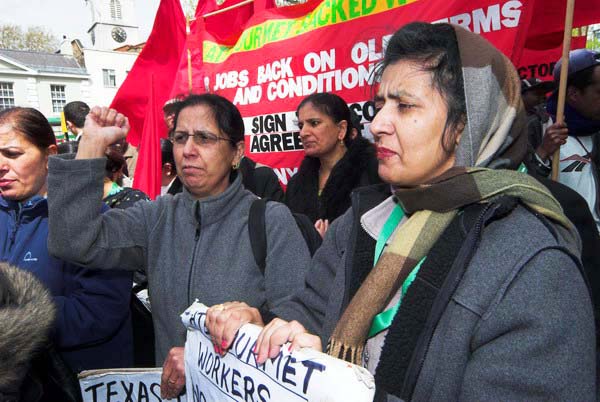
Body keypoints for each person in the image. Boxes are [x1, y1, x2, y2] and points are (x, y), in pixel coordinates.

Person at [206, 23, 596, 400]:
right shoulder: (360, 223)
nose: (378, 124)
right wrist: (263, 326)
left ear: (465, 124)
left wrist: (341, 389)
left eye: (405, 106)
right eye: (379, 106)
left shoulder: (533, 265)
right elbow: (310, 309)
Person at [46, 93, 312, 399]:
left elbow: (299, 318)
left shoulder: (270, 221)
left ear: (237, 152)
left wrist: (248, 324)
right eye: (180, 137)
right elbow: (73, 241)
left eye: (204, 138)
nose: (188, 150)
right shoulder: (157, 216)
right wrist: (91, 146)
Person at [0, 107, 133, 374]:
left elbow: (99, 311)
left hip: (67, 382)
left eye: (13, 154)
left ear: (49, 155)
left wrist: (14, 320)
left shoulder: (93, 220)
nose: (1, 166)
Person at [284, 93, 380, 236]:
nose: (303, 133)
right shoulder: (296, 185)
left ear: (341, 129)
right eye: (301, 125)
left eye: (314, 123)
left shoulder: (374, 173)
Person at [527, 49, 600, 233]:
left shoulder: (596, 131)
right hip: (562, 243)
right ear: (574, 94)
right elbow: (517, 186)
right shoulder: (537, 128)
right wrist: (542, 153)